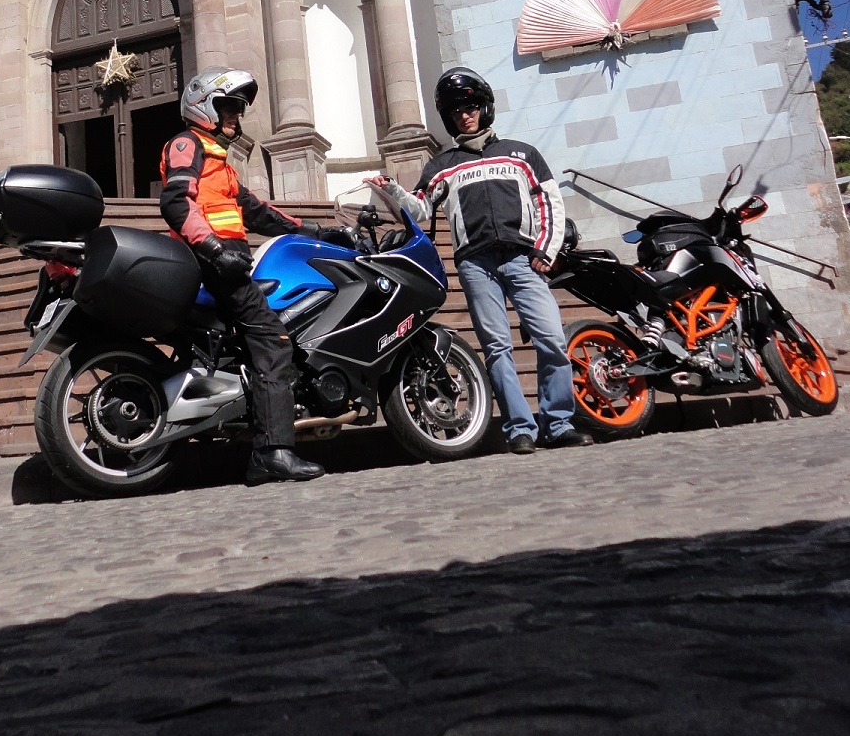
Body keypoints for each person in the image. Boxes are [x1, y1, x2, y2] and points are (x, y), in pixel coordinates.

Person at [368, 67, 592, 455]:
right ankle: (520, 427)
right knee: (497, 348)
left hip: (524, 259)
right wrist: (392, 192)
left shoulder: (522, 154)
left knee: (553, 340)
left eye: (470, 106)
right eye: (456, 111)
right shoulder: (443, 164)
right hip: (475, 265)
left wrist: (545, 249)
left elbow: (549, 205)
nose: (464, 115)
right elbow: (420, 208)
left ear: (484, 106)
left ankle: (558, 423)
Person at [159, 69, 353, 485]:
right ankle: (273, 453)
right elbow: (176, 203)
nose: (236, 115)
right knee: (273, 340)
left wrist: (317, 232)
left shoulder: (219, 162)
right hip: (213, 263)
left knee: (253, 339)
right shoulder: (186, 144)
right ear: (204, 106)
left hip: (225, 260)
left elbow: (258, 211)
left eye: (239, 108)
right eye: (229, 106)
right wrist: (212, 249)